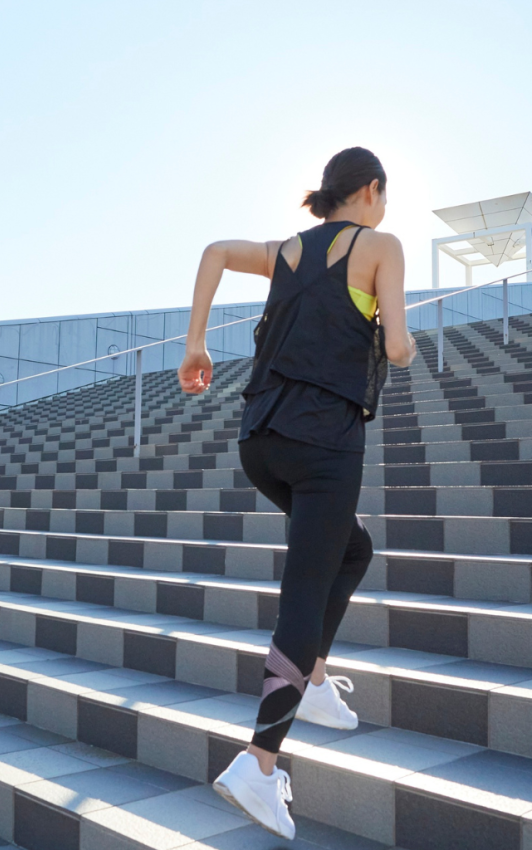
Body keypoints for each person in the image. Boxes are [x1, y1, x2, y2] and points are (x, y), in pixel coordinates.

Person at [177, 147, 417, 840]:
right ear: (370, 191)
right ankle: (259, 762)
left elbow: (217, 250)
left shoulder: (286, 250)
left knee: (352, 549)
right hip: (325, 444)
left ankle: (312, 679)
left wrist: (195, 345)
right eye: (384, 196)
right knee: (306, 588)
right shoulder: (381, 246)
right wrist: (389, 338)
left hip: (263, 439)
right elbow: (398, 348)